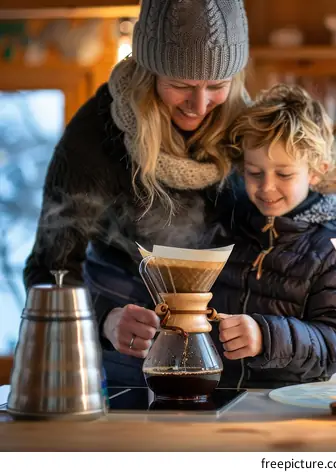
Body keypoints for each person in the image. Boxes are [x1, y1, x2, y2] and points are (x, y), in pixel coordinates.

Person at [23, 0, 251, 387]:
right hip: (130, 362)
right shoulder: (94, 136)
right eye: (181, 85)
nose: (200, 106)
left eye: (217, 86)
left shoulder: (250, 128)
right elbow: (47, 271)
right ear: (149, 72)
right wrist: (105, 318)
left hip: (242, 361)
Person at [207, 83, 336, 388]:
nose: (266, 187)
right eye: (254, 172)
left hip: (294, 408)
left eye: (284, 174)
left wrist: (266, 336)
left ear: (317, 170)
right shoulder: (230, 230)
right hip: (221, 400)